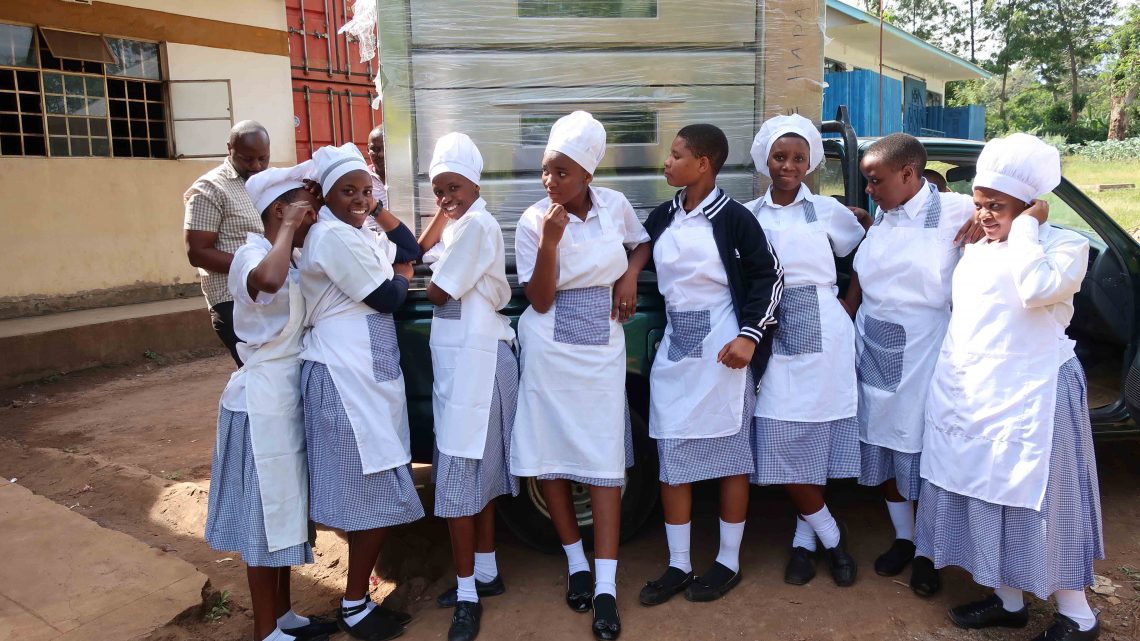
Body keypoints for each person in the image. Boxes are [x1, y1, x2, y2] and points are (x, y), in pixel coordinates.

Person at [917, 133, 1103, 641]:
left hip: (1034, 394)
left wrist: (1025, 228)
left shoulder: (1065, 246)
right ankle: (1009, 600)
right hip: (975, 391)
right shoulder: (977, 247)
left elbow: (1035, 287)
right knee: (987, 492)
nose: (984, 216)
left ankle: (1078, 615)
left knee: (1042, 499)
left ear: (1031, 206)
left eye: (997, 206)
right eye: (979, 205)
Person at [511, 111, 650, 641]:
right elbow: (541, 299)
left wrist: (630, 277)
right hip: (549, 348)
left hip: (602, 349)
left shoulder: (614, 204)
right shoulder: (533, 220)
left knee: (603, 461)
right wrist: (549, 240)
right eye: (546, 170)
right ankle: (577, 564)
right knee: (552, 456)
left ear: (589, 174)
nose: (551, 182)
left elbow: (640, 244)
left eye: (563, 172)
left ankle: (608, 585)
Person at [637, 124, 782, 605]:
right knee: (673, 459)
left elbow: (770, 275)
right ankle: (679, 564)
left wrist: (749, 336)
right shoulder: (664, 215)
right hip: (678, 350)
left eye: (676, 155)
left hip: (724, 351)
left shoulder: (734, 218)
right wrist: (631, 273)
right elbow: (636, 247)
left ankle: (727, 561)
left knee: (729, 459)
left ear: (704, 164)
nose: (667, 162)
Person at [204, 161, 337, 641]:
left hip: (286, 400)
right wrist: (285, 228)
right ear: (280, 211)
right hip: (258, 406)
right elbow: (269, 281)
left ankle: (284, 616)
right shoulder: (250, 254)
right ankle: (266, 631)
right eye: (305, 209)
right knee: (264, 517)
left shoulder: (295, 255)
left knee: (286, 509)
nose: (314, 217)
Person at [297, 143, 424, 641]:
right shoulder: (332, 236)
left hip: (367, 378)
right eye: (346, 191)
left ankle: (356, 599)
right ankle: (353, 605)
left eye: (364, 189)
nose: (358, 198)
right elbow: (390, 296)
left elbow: (409, 251)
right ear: (325, 197)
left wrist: (376, 209)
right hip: (344, 379)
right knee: (365, 496)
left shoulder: (359, 232)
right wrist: (401, 278)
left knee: (370, 492)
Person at [844, 133, 979, 596]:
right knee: (883, 444)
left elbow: (1032, 206)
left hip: (927, 351)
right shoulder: (884, 212)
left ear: (908, 174)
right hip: (875, 346)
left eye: (874, 180)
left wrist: (1012, 217)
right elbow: (866, 273)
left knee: (923, 453)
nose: (869, 189)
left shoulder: (957, 209)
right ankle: (904, 537)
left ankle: (929, 551)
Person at [744, 114, 866, 587]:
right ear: (765, 160)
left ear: (811, 162)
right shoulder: (749, 214)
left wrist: (848, 304)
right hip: (770, 330)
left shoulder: (828, 211)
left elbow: (867, 251)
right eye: (780, 156)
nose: (788, 166)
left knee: (814, 434)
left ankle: (802, 541)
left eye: (798, 158)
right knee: (779, 434)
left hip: (825, 331)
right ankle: (833, 537)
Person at [417, 133, 519, 641]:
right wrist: (444, 209)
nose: (445, 197)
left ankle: (466, 596)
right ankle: (485, 572)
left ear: (475, 184)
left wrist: (414, 264)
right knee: (473, 478)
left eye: (453, 186)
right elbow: (423, 248)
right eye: (437, 189)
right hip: (465, 363)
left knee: (459, 484)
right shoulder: (461, 222)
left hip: (478, 364)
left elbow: (436, 289)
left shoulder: (476, 226)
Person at [184, 120, 272, 366]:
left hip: (271, 295)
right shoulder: (210, 189)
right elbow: (198, 252)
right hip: (232, 301)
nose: (256, 166)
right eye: (247, 159)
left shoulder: (269, 182)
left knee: (279, 376)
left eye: (263, 158)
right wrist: (254, 270)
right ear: (229, 149)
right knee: (259, 373)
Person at [367, 125, 389, 211]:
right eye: (375, 149)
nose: (381, 154)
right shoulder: (361, 181)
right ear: (368, 150)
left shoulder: (409, 179)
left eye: (386, 148)